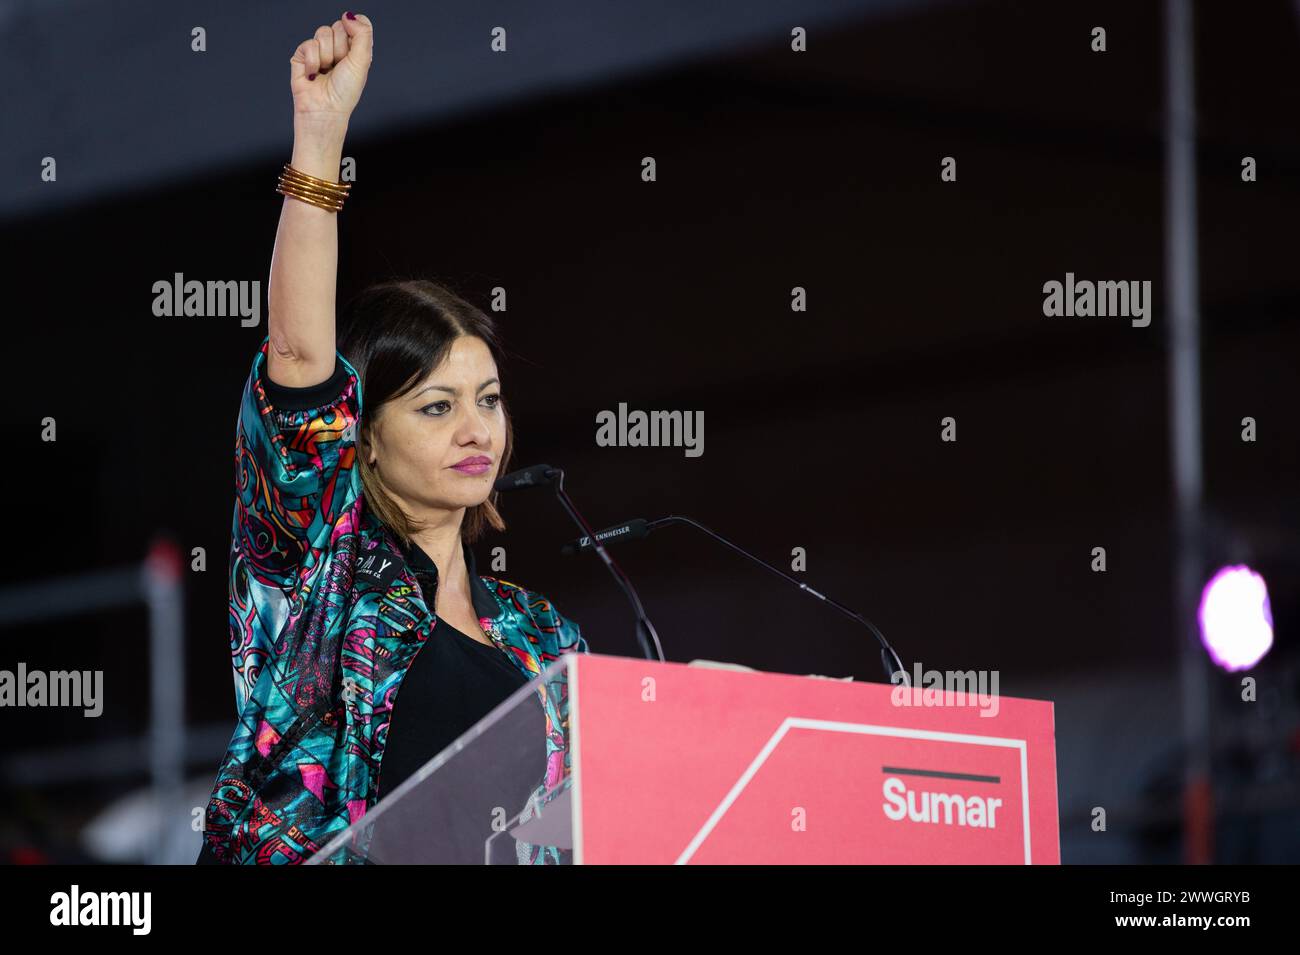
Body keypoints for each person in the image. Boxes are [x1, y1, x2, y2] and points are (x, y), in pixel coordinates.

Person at [197, 11, 587, 865]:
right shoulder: (323, 576)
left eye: (487, 399)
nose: (477, 426)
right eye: (435, 406)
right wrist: (321, 134)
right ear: (362, 438)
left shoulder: (547, 638)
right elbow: (300, 354)